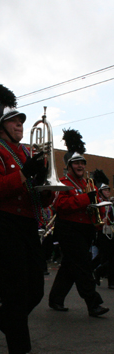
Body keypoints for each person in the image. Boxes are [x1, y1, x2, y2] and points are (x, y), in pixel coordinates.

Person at [0, 78, 53, 354]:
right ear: (0, 127)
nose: (20, 125)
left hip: (27, 223)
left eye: (21, 121)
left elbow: (39, 200)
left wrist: (45, 188)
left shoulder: (26, 154)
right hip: (3, 224)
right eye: (14, 121)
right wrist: (24, 175)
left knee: (35, 291)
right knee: (18, 290)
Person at [48, 129, 109, 317]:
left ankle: (55, 299)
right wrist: (86, 198)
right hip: (68, 229)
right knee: (83, 266)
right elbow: (61, 206)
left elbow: (94, 205)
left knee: (69, 266)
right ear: (70, 165)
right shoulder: (63, 182)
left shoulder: (88, 184)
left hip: (85, 229)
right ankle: (93, 303)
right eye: (77, 163)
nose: (81, 165)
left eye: (83, 162)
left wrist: (99, 222)